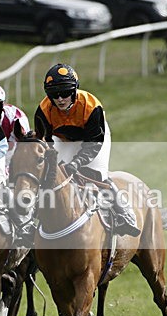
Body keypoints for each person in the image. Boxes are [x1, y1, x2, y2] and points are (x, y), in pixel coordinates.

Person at [32, 63, 141, 237]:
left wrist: (76, 162)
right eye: (54, 94)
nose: (60, 99)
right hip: (62, 139)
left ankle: (125, 214)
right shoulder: (43, 110)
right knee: (48, 175)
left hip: (93, 140)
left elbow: (93, 143)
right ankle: (33, 220)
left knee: (95, 174)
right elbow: (46, 143)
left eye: (65, 93)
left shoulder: (91, 106)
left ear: (75, 90)